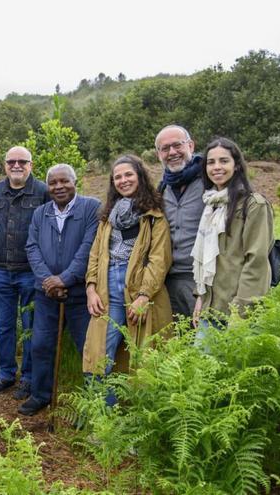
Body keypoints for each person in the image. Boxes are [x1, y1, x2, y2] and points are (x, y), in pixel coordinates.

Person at [83, 155, 173, 406]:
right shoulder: (108, 217)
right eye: (118, 177)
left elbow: (159, 260)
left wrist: (144, 296)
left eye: (128, 175)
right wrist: (91, 289)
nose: (123, 180)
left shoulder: (154, 216)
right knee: (98, 355)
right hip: (106, 288)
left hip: (140, 290)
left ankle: (134, 430)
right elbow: (95, 254)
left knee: (141, 359)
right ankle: (103, 420)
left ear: (140, 177)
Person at [20, 164, 100, 415]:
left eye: (64, 181)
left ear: (75, 182)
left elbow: (89, 246)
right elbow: (31, 248)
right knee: (41, 344)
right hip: (46, 294)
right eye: (53, 183)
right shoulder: (41, 213)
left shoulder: (91, 208)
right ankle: (40, 394)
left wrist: (65, 279)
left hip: (79, 295)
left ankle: (93, 404)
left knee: (88, 348)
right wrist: (49, 281)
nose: (58, 187)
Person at [0, 146, 51, 399]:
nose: (16, 166)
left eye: (22, 162)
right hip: (1, 271)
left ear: (30, 165)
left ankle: (29, 377)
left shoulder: (43, 192)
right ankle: (5, 374)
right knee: (4, 327)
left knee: (31, 327)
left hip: (31, 273)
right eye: (11, 161)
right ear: (5, 165)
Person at [191, 138, 274, 335]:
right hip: (211, 308)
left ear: (236, 165)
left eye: (224, 161)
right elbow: (207, 261)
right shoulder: (212, 206)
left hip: (237, 311)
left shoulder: (254, 205)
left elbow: (256, 261)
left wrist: (242, 310)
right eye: (211, 162)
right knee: (203, 364)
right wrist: (201, 298)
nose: (216, 167)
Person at [155, 125, 204, 319]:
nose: (172, 152)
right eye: (165, 148)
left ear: (190, 146)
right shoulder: (162, 188)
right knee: (176, 342)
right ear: (158, 154)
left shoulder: (210, 181)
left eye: (177, 145)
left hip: (201, 280)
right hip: (168, 280)